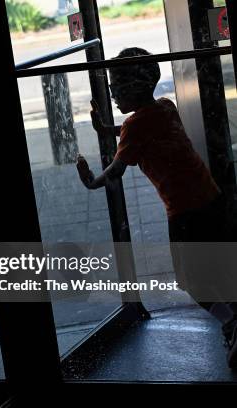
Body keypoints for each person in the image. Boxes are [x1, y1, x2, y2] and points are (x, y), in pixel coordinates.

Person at [75, 47, 237, 368]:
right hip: (213, 199)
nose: (113, 94)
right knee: (220, 268)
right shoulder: (165, 107)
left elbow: (117, 170)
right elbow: (138, 130)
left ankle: (231, 324)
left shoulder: (135, 128)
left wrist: (92, 181)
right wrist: (106, 130)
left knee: (191, 278)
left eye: (115, 87)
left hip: (185, 211)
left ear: (132, 87)